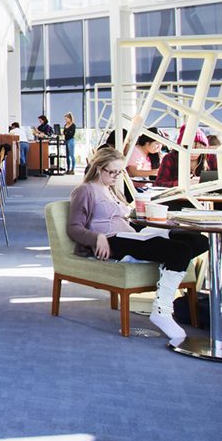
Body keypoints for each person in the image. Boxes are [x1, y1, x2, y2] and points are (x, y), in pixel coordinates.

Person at [67, 148, 208, 345]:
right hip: (112, 240)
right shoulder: (85, 191)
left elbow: (123, 219)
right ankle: (162, 310)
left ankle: (169, 266)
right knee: (181, 250)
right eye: (113, 172)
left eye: (120, 172)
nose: (117, 176)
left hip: (131, 235)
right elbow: (73, 228)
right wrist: (96, 237)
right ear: (99, 169)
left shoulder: (111, 188)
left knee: (199, 240)